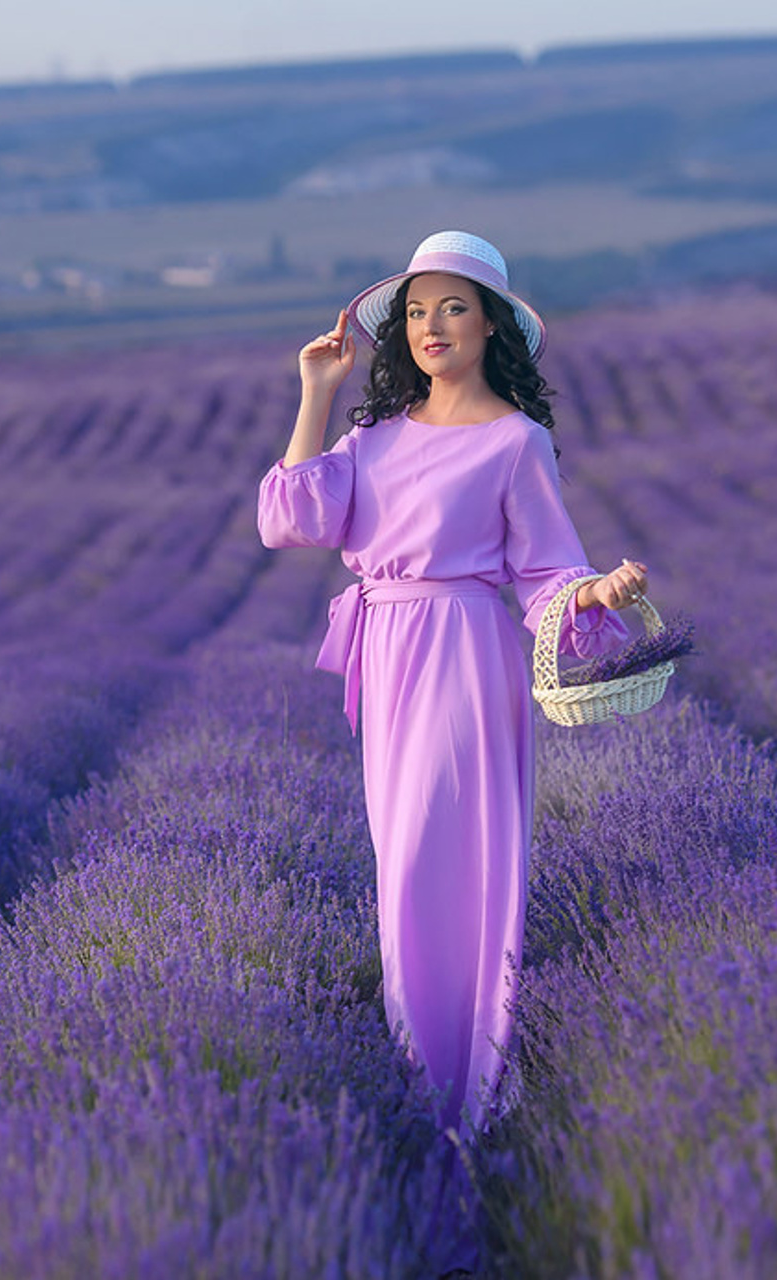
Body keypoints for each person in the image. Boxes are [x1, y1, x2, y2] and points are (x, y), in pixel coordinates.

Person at [256, 230, 648, 1137]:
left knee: (455, 852)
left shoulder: (516, 443)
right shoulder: (371, 437)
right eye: (419, 310)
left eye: (454, 307)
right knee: (402, 864)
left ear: (491, 327)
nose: (432, 325)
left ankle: (473, 1086)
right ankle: (418, 1080)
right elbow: (290, 521)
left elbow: (549, 572)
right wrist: (315, 392)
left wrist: (597, 592)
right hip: (386, 655)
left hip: (467, 656)